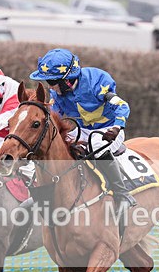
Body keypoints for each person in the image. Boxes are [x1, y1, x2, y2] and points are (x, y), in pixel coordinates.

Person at [28, 47, 136, 218]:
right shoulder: (56, 94)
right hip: (83, 130)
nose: (50, 87)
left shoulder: (97, 82)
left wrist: (116, 127)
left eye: (51, 82)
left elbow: (122, 106)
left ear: (67, 81)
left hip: (109, 130)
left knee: (97, 144)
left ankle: (123, 194)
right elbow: (55, 118)